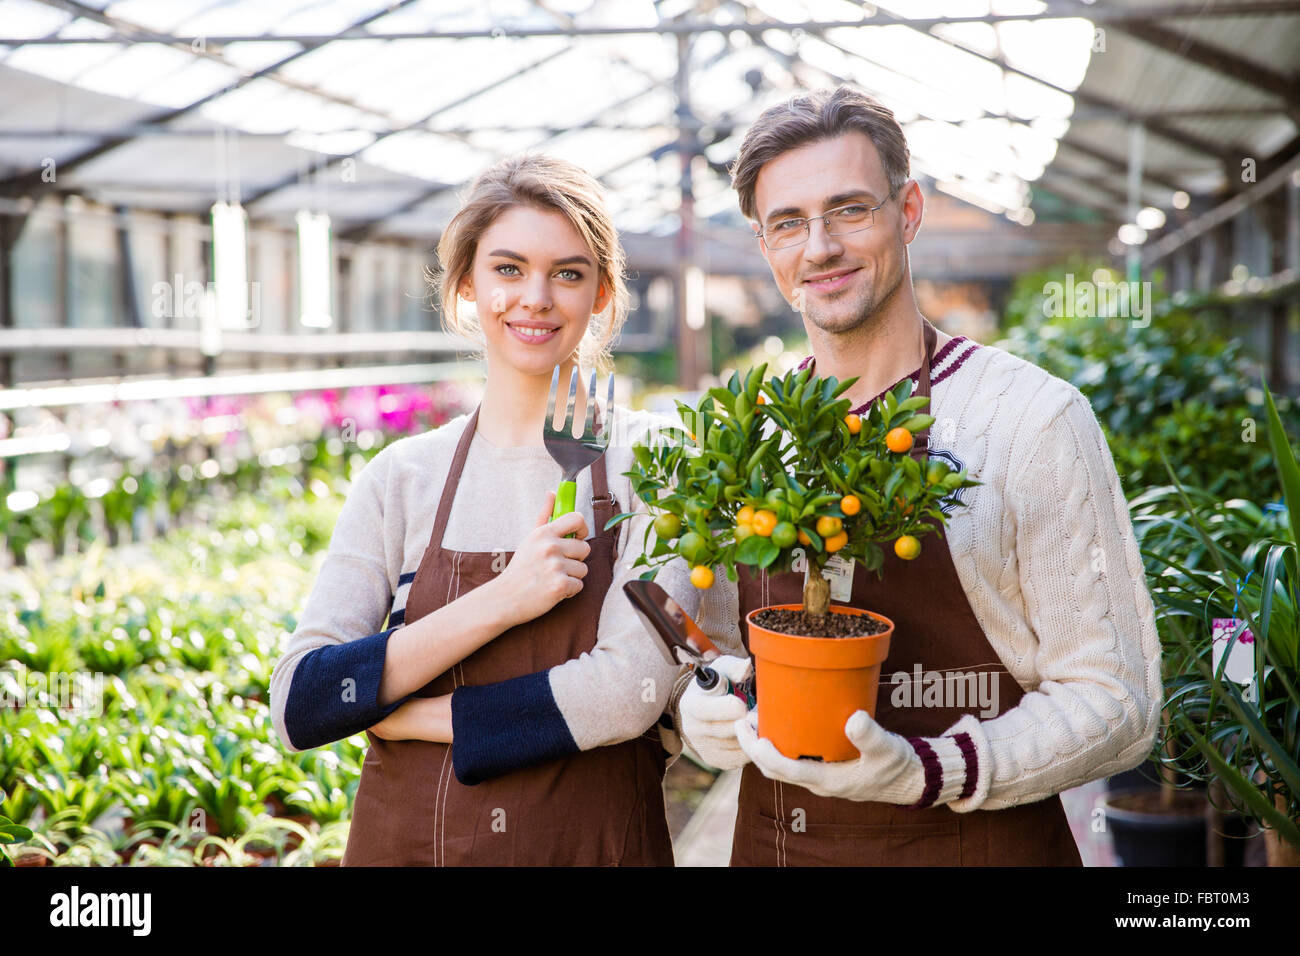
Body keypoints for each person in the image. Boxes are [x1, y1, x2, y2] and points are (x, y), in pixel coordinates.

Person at [669, 85, 1163, 866]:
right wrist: (699, 712)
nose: (820, 246)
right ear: (766, 247)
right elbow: (703, 652)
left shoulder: (1031, 419)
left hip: (979, 845)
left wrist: (930, 769)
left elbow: (1117, 702)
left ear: (909, 211)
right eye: (788, 223)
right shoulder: (748, 435)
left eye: (850, 210)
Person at [269, 153, 689, 866]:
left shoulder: (654, 466)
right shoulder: (402, 477)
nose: (536, 297)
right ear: (467, 285)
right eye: (507, 269)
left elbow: (625, 695)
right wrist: (503, 600)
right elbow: (302, 704)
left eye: (568, 272)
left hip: (593, 844)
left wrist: (404, 714)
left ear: (603, 295)